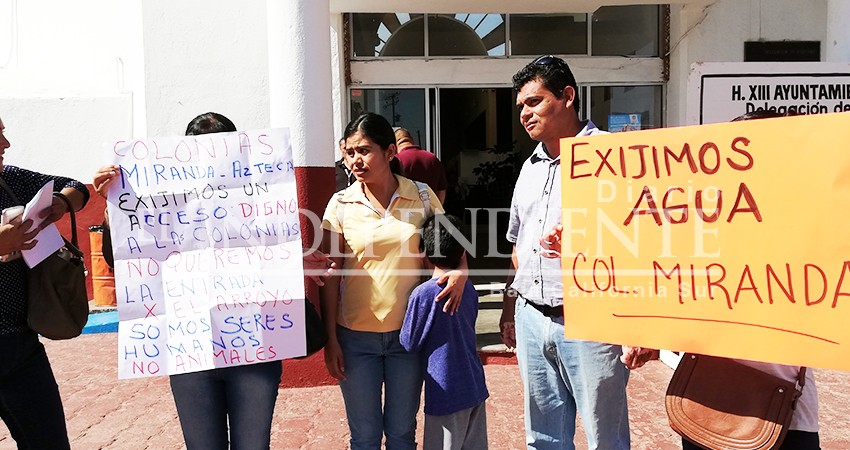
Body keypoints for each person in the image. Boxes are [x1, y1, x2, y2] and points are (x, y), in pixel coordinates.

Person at [93, 112, 336, 450]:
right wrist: (116, 206)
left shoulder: (262, 198)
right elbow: (123, 257)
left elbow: (267, 256)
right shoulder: (161, 204)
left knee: (253, 445)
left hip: (254, 348)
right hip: (189, 351)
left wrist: (295, 259)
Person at [499, 55, 631, 450]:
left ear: (567, 96)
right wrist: (510, 305)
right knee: (543, 438)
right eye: (520, 105)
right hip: (531, 318)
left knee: (604, 438)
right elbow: (517, 244)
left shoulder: (614, 157)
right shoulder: (530, 168)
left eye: (534, 102)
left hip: (592, 322)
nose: (525, 114)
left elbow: (641, 240)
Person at [319, 112, 466, 450]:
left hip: (408, 337)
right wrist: (331, 338)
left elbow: (449, 250)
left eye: (365, 150)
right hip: (354, 339)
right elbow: (328, 276)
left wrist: (460, 272)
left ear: (389, 152)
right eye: (350, 152)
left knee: (402, 433)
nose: (356, 160)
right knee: (365, 437)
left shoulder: (423, 196)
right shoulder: (340, 204)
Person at [0, 115, 89, 449]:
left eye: (4, 134)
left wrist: (60, 203)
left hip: (21, 348)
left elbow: (77, 187)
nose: (5, 145)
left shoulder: (10, 180)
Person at [400, 213, 489, 450]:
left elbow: (409, 342)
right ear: (463, 253)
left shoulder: (424, 294)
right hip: (474, 383)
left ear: (423, 252)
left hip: (446, 389)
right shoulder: (467, 287)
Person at [394, 127, 448, 204]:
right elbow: (442, 189)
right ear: (412, 140)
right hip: (429, 212)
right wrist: (437, 210)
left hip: (406, 212)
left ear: (395, 146)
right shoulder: (432, 158)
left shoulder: (397, 160)